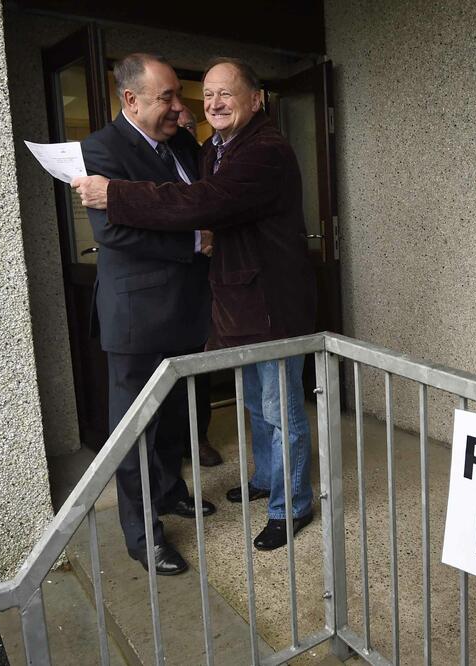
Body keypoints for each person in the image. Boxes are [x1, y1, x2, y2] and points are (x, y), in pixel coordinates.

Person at [74, 57, 317, 552]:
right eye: (205, 95)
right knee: (253, 403)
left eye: (224, 93)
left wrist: (115, 194)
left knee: (279, 407)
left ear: (257, 99)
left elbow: (203, 202)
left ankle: (292, 504)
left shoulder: (263, 150)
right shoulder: (208, 146)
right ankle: (262, 482)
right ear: (131, 100)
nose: (208, 104)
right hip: (220, 308)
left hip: (271, 304)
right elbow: (131, 227)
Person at [81, 53, 216, 575]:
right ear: (130, 100)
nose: (178, 109)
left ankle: (170, 491)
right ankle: (143, 537)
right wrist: (193, 240)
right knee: (135, 427)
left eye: (178, 98)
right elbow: (114, 231)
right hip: (136, 315)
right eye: (167, 98)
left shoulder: (181, 142)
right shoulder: (100, 149)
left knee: (175, 414)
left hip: (187, 307)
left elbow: (200, 199)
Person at [176, 105, 223, 469]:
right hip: (168, 274)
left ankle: (200, 436)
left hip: (207, 275)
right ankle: (174, 444)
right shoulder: (160, 160)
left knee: (200, 364)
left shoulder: (207, 158)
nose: (183, 129)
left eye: (190, 125)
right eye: (178, 125)